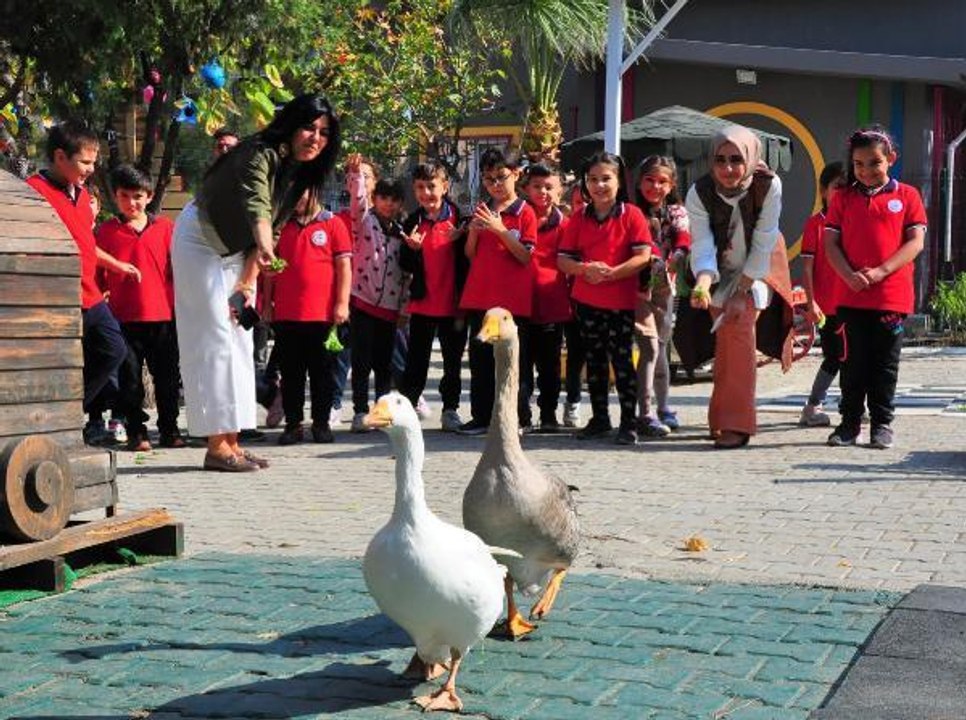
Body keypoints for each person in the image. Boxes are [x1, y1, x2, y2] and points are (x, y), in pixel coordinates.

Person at [171, 93, 341, 472]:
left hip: (237, 250)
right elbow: (257, 206)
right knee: (214, 338)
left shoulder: (300, 173)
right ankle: (216, 446)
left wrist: (248, 282)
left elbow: (273, 226)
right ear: (293, 125)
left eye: (324, 133)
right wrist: (265, 244)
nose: (315, 138)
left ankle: (232, 440)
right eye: (309, 128)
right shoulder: (258, 152)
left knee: (238, 338)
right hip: (199, 240)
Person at [26, 120, 137, 446]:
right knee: (60, 361)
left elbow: (85, 244)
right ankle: (56, 421)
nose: (91, 168)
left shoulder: (84, 194)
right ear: (60, 157)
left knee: (113, 349)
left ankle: (69, 411)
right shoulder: (35, 192)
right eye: (85, 162)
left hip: (89, 294)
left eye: (93, 161)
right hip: (56, 296)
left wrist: (115, 265)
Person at [687, 125, 795, 450]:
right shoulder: (699, 192)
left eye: (736, 159)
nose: (728, 168)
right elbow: (702, 244)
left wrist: (742, 290)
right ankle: (721, 417)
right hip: (720, 269)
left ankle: (736, 424)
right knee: (727, 345)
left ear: (750, 157)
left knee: (738, 332)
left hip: (759, 268)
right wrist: (703, 284)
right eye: (720, 159)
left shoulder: (768, 185)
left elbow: (763, 240)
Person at [823, 127, 926, 449]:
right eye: (858, 164)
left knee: (884, 365)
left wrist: (881, 271)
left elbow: (916, 242)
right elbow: (831, 244)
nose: (866, 171)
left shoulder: (907, 196)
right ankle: (849, 424)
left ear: (891, 159)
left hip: (890, 298)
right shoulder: (842, 198)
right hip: (850, 296)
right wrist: (848, 275)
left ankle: (882, 424)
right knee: (851, 364)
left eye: (874, 162)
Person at [558, 151, 652, 445]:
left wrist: (612, 273)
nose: (599, 185)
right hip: (586, 301)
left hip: (620, 302)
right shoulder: (578, 217)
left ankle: (629, 422)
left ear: (620, 181)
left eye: (606, 179)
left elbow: (643, 256)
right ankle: (600, 419)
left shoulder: (632, 215)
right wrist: (585, 269)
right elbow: (562, 259)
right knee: (594, 361)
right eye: (593, 179)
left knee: (622, 362)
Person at [95, 164, 184, 451]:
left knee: (168, 379)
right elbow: (97, 277)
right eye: (124, 196)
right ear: (115, 197)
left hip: (163, 318)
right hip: (124, 319)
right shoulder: (106, 232)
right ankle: (136, 432)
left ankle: (170, 430)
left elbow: (180, 272)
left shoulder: (167, 229)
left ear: (148, 196)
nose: (131, 203)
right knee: (130, 380)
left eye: (137, 196)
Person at [457, 147, 537, 434]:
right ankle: (481, 416)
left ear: (516, 174)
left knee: (514, 363)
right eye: (489, 179)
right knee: (479, 361)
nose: (495, 185)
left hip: (512, 303)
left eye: (501, 177)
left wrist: (499, 229)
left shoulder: (525, 212)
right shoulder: (484, 208)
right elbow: (470, 253)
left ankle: (519, 416)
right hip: (480, 297)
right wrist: (476, 230)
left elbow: (525, 255)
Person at [263, 190, 351, 444]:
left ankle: (321, 424)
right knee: (291, 375)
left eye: (300, 194)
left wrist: (342, 303)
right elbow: (271, 266)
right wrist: (268, 302)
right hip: (287, 315)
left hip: (322, 315)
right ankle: (293, 425)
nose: (296, 200)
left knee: (323, 374)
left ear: (314, 191)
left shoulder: (333, 224)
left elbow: (344, 267)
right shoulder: (281, 226)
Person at [398, 161, 469, 432]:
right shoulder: (412, 221)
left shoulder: (461, 219)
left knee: (452, 363)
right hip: (423, 303)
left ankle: (450, 410)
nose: (426, 192)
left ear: (445, 186)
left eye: (432, 186)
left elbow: (471, 258)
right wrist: (413, 249)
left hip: (454, 305)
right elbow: (404, 263)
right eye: (420, 187)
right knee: (416, 362)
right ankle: (407, 410)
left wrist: (461, 238)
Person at [344, 154, 408, 432]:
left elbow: (407, 274)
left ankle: (381, 411)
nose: (388, 204)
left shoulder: (403, 233)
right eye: (383, 198)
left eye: (394, 199)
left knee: (384, 364)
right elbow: (357, 204)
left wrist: (404, 309)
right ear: (375, 197)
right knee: (361, 361)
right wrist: (357, 176)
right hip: (363, 301)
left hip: (390, 307)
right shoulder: (364, 222)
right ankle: (359, 411)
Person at [634, 156, 691, 437]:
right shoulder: (631, 211)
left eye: (662, 181)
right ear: (639, 180)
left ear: (672, 185)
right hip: (634, 287)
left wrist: (676, 256)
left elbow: (683, 238)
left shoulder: (676, 211)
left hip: (663, 287)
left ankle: (664, 406)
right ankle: (644, 411)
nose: (655, 186)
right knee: (650, 347)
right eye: (649, 180)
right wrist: (654, 257)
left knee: (660, 347)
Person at [521, 163, 570, 432]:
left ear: (560, 191)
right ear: (526, 189)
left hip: (552, 303)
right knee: (522, 365)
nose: (543, 192)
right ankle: (522, 414)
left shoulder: (567, 225)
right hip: (520, 303)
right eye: (537, 187)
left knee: (549, 366)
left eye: (549, 187)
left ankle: (548, 414)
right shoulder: (517, 218)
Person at [798, 162, 847, 427]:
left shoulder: (853, 224)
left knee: (854, 356)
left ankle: (852, 405)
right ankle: (813, 406)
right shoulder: (815, 224)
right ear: (824, 190)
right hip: (827, 306)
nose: (842, 193)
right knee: (835, 356)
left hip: (853, 303)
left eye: (846, 188)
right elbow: (806, 267)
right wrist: (811, 301)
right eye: (837, 187)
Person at [561, 178, 587, 427]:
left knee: (584, 353)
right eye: (579, 202)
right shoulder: (566, 227)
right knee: (573, 354)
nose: (583, 206)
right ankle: (571, 402)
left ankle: (575, 402)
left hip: (591, 299)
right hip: (563, 300)